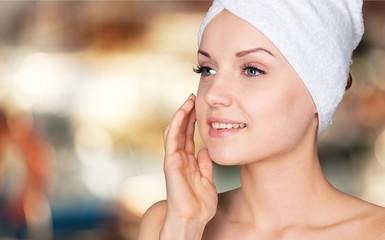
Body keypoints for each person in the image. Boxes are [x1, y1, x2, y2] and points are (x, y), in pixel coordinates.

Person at [138, 0, 385, 239]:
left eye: (252, 70)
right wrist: (184, 228)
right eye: (207, 69)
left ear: (321, 90)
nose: (213, 95)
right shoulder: (165, 223)